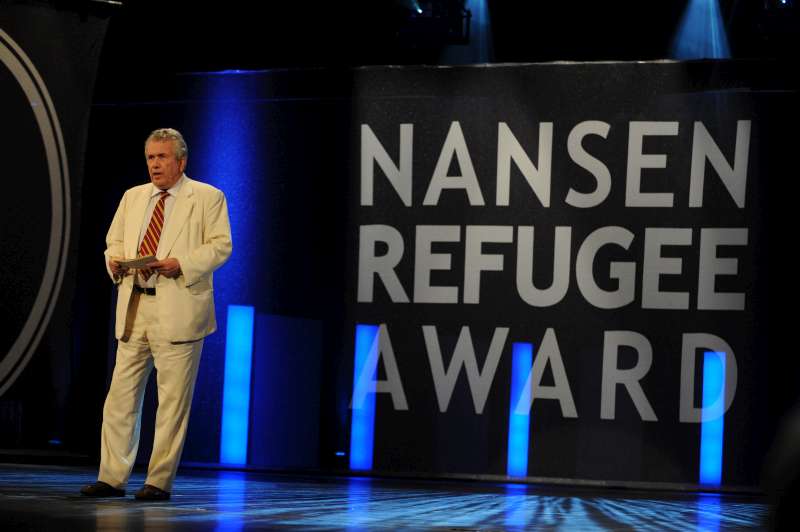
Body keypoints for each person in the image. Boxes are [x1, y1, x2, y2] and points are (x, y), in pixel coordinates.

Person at [81, 128, 232, 500]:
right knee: (120, 398)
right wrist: (113, 262)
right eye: (150, 157)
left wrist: (181, 263)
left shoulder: (207, 197)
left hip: (178, 309)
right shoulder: (133, 197)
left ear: (181, 161)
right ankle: (112, 476)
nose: (155, 165)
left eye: (162, 157)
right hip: (136, 307)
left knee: (171, 403)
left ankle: (157, 481)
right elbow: (113, 241)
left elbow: (221, 246)